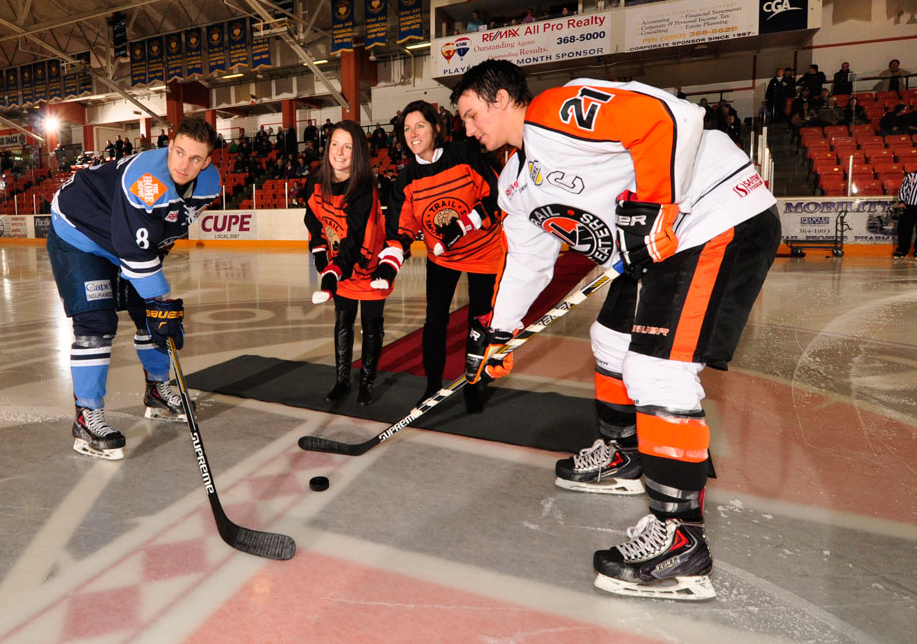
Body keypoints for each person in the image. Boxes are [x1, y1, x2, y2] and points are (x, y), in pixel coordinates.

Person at [452, 59, 779, 601]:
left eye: (469, 114)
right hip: (657, 249)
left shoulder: (557, 109)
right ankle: (624, 453)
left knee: (657, 370)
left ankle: (682, 543)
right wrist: (498, 334)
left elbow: (665, 119)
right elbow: (530, 263)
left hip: (714, 217)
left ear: (502, 98)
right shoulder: (516, 180)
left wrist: (656, 205)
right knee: (609, 340)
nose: (467, 128)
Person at [48, 118, 221, 459]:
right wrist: (161, 299)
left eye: (195, 159)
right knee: (96, 324)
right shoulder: (145, 181)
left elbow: (162, 233)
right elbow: (133, 248)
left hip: (121, 237)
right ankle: (86, 417)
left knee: (149, 316)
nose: (184, 165)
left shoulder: (209, 185)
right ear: (169, 146)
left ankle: (158, 390)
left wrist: (156, 303)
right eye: (179, 153)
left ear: (208, 162)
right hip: (79, 232)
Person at [376, 100, 505, 411]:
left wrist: (464, 225)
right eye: (406, 128)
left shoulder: (464, 154)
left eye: (419, 125)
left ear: (436, 127)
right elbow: (400, 230)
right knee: (434, 322)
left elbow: (498, 199)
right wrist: (389, 264)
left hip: (484, 252)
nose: (413, 133)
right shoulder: (406, 179)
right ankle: (432, 386)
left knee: (480, 322)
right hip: (442, 259)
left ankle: (473, 385)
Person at [305, 120, 393, 407]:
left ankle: (366, 382)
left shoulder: (364, 189)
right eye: (334, 144)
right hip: (339, 266)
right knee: (342, 321)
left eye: (348, 147)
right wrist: (319, 250)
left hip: (368, 267)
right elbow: (313, 219)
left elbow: (355, 241)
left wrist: (333, 272)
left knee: (371, 324)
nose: (339, 153)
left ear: (358, 155)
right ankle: (342, 380)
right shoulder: (316, 179)